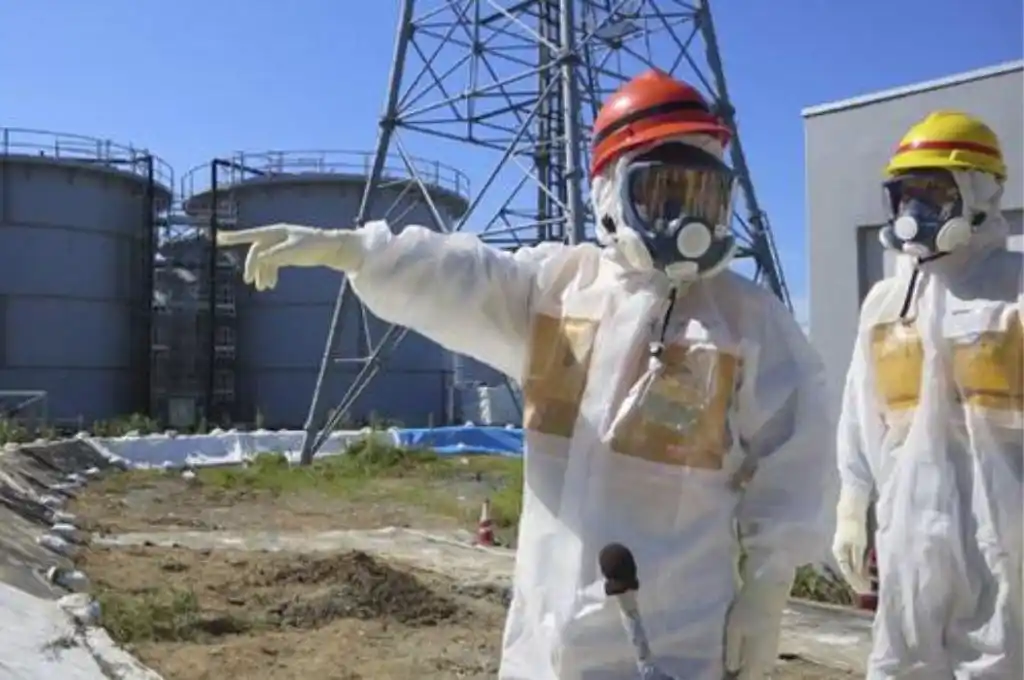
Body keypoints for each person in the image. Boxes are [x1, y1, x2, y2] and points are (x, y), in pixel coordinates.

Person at [218, 69, 833, 680]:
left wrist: (768, 586)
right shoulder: (556, 291)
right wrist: (354, 251)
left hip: (675, 640)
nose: (684, 218)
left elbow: (796, 459)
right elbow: (460, 276)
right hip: (545, 640)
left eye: (701, 197)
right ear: (611, 194)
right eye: (662, 192)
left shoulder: (746, 324)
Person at [831, 110, 1023, 679]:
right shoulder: (889, 304)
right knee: (900, 665)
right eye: (905, 197)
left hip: (1005, 533)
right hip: (908, 534)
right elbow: (860, 412)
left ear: (980, 193)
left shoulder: (1015, 290)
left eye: (934, 195)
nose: (915, 215)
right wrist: (851, 502)